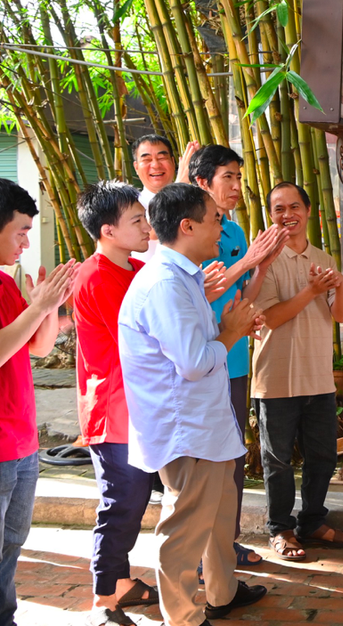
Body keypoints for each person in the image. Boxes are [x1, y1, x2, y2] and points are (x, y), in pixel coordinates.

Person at [119, 184, 267, 626]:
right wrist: (232, 332)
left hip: (205, 423)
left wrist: (226, 325)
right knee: (185, 530)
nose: (221, 229)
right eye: (215, 219)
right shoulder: (166, 282)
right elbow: (194, 363)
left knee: (218, 518)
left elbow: (195, 346)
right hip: (187, 429)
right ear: (187, 226)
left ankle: (222, 592)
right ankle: (183, 616)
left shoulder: (183, 277)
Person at [189, 145, 287, 568]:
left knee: (231, 455)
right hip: (200, 358)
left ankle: (225, 547)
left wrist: (262, 265)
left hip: (236, 358)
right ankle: (198, 554)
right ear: (202, 182)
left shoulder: (234, 230)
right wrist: (250, 258)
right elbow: (201, 289)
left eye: (238, 177)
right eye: (228, 176)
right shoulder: (190, 228)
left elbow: (242, 290)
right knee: (202, 461)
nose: (236, 186)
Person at [252, 182, 343, 562]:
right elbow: (271, 318)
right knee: (277, 460)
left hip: (318, 377)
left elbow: (340, 315)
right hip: (274, 378)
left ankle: (312, 521)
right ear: (270, 215)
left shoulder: (323, 259)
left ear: (308, 211)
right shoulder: (263, 262)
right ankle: (280, 528)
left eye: (294, 206)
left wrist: (339, 287)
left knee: (323, 456)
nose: (287, 215)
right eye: (278, 208)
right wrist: (311, 292)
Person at [74, 182, 158, 626]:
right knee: (122, 500)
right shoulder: (96, 276)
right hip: (113, 410)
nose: (147, 227)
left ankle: (120, 582)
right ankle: (104, 598)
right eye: (137, 221)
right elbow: (144, 337)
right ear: (108, 230)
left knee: (135, 496)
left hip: (138, 406)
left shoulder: (135, 268)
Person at [0, 178, 78, 626]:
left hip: (22, 441)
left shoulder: (7, 283)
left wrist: (47, 308)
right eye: (21, 231)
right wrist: (38, 307)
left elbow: (38, 348)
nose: (27, 242)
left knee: (12, 545)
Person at [130, 135, 199, 263]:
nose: (155, 165)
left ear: (173, 162)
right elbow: (152, 232)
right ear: (136, 167)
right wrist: (179, 185)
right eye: (147, 160)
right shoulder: (131, 204)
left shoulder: (193, 199)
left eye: (162, 158)